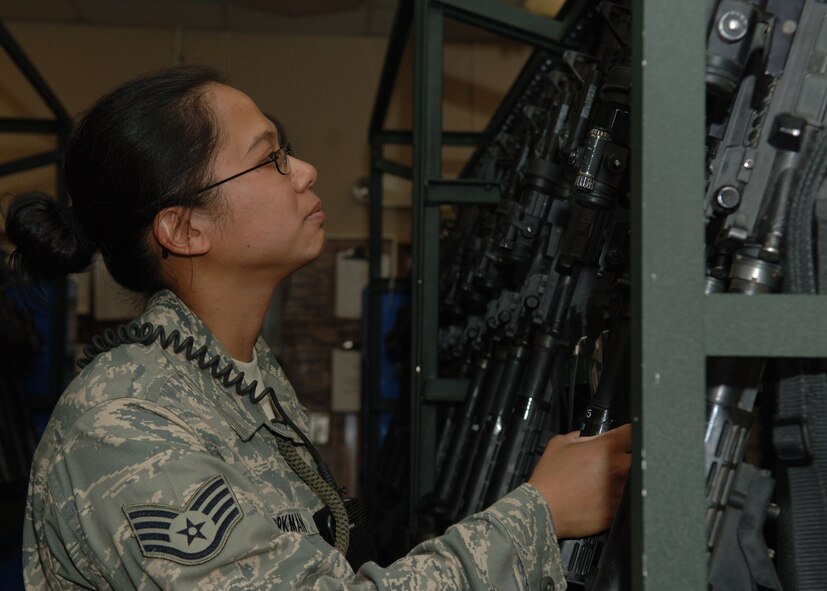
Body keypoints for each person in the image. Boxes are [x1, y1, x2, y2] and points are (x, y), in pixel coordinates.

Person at [6, 65, 631, 590]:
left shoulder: (235, 375)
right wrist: (540, 515)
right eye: (271, 158)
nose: (303, 169)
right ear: (185, 229)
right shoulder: (124, 422)